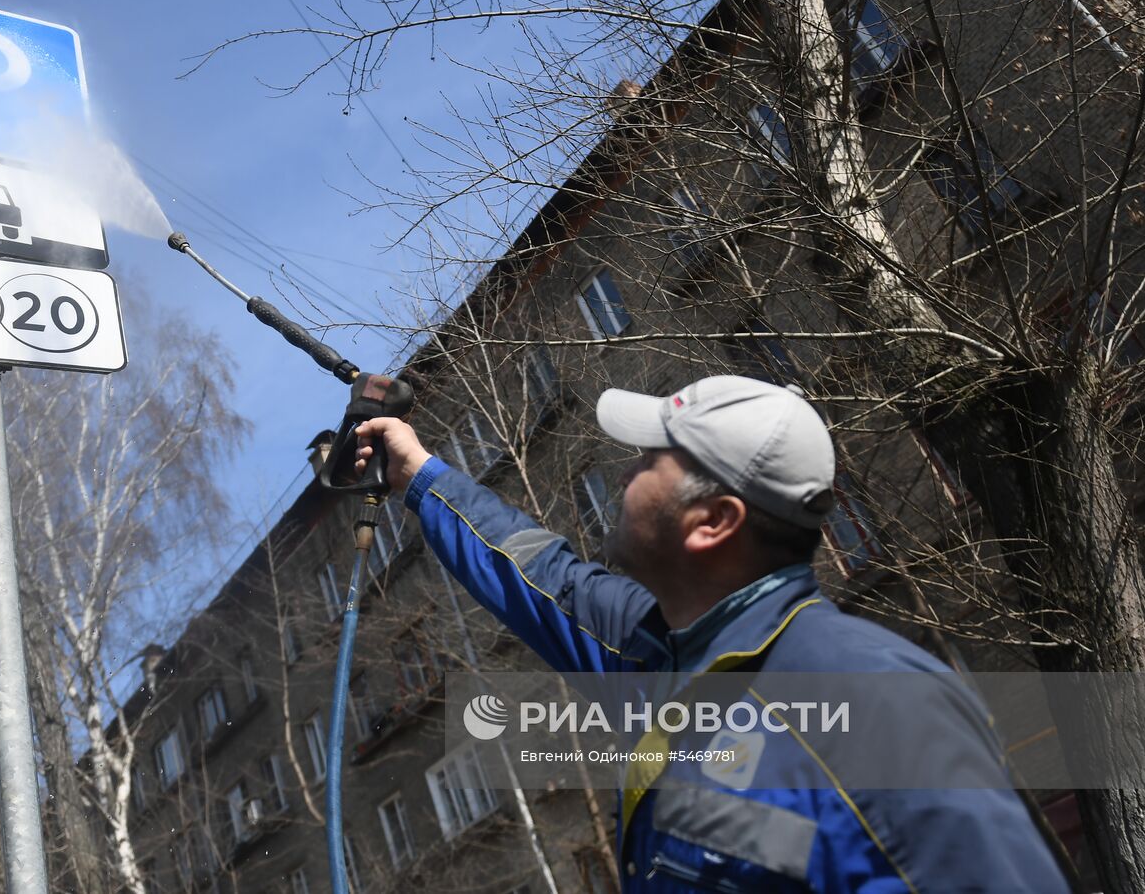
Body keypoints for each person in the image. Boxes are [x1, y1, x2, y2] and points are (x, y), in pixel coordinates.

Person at [354, 374, 1070, 893]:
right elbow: (541, 573)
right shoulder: (656, 652)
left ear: (713, 522)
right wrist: (419, 472)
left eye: (649, 461)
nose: (625, 473)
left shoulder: (871, 697)